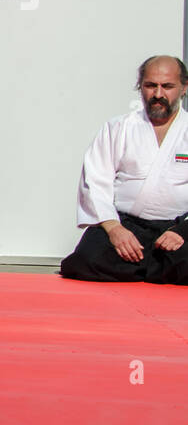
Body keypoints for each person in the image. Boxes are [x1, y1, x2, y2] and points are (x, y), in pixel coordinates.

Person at [59, 56, 188, 285]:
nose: (158, 94)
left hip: (177, 229)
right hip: (128, 226)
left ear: (184, 88)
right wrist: (114, 229)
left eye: (167, 86)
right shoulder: (119, 127)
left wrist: (183, 231)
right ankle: (158, 270)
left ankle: (148, 268)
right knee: (85, 261)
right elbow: (95, 180)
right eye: (150, 86)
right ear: (140, 87)